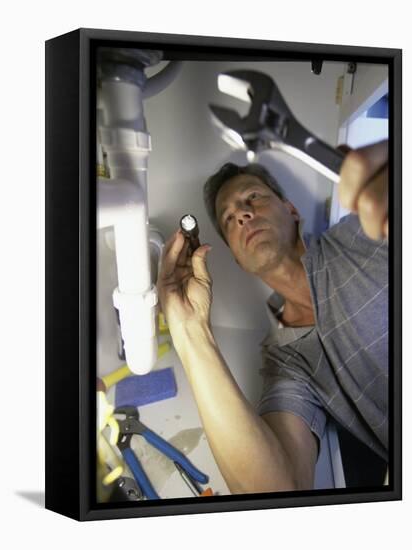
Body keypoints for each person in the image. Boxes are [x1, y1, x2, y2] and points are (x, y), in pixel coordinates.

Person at [157, 140, 389, 494]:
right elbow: (275, 488)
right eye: (228, 219)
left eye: (253, 198)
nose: (242, 215)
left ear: (292, 210)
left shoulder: (365, 234)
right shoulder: (285, 361)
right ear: (236, 257)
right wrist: (189, 330)